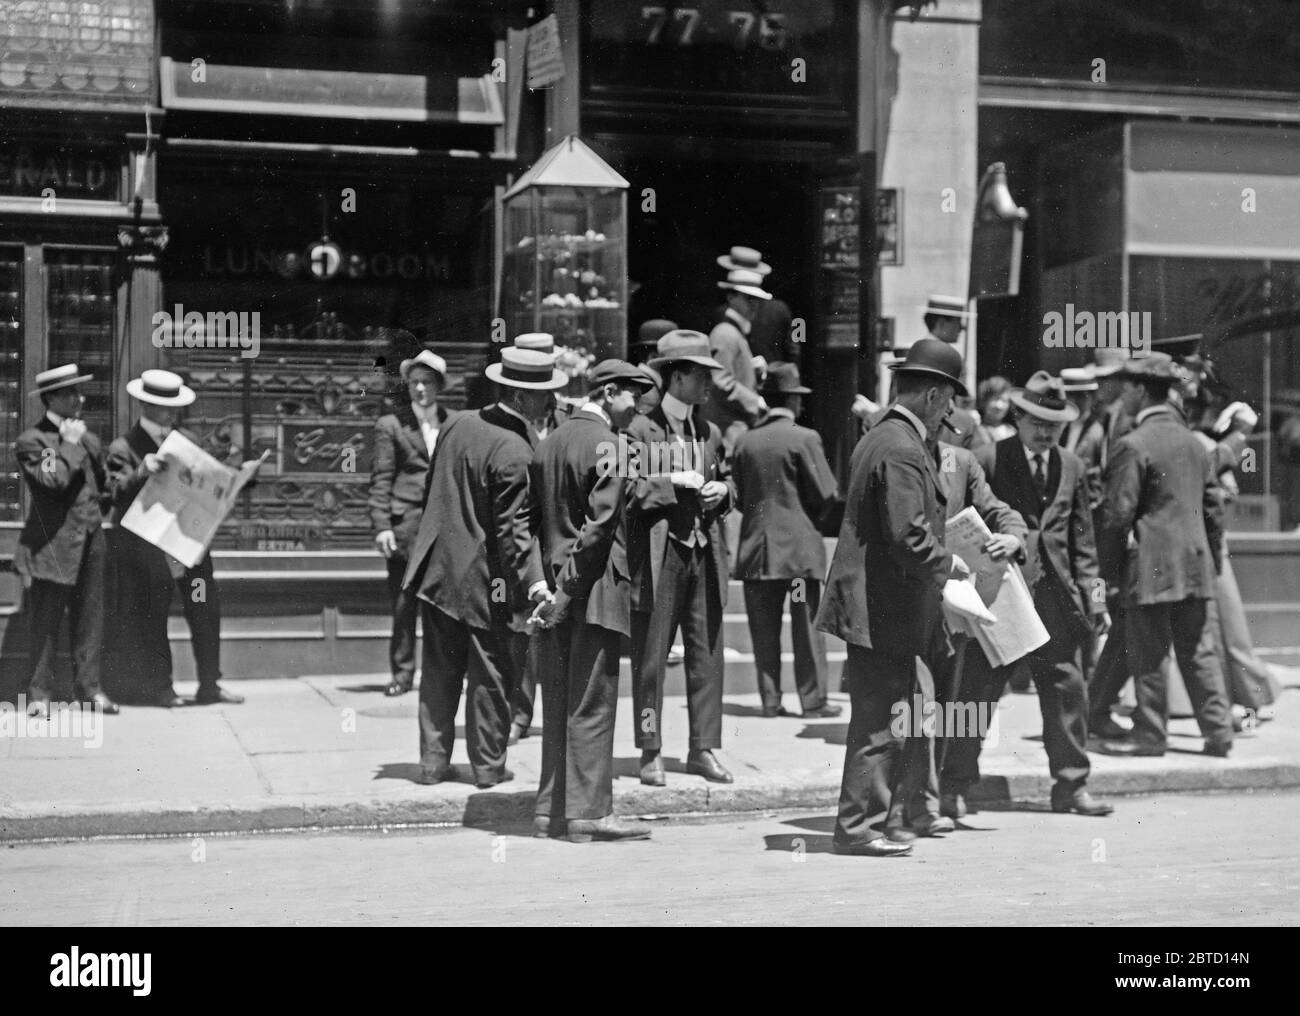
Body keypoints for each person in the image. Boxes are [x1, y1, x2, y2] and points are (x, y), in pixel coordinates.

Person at [816, 339, 973, 857]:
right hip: (883, 606)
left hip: (877, 602)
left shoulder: (880, 436)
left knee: (879, 715)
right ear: (932, 395)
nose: (949, 413)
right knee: (882, 719)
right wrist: (950, 564)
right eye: (948, 400)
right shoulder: (904, 448)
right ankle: (859, 828)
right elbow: (908, 535)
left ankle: (863, 823)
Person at [403, 347, 564, 788]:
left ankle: (433, 764)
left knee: (438, 673)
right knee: (491, 674)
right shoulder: (514, 449)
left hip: (437, 572)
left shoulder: (456, 423)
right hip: (484, 583)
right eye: (544, 394)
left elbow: (435, 492)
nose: (549, 403)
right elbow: (515, 532)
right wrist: (533, 585)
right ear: (521, 396)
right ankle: (488, 767)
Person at [955, 372, 1115, 817]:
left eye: (1054, 425)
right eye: (1037, 422)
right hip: (1000, 600)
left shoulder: (1074, 467)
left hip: (1057, 602)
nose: (1045, 433)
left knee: (1067, 691)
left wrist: (1096, 598)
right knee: (978, 693)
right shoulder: (986, 458)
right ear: (1019, 417)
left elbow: (1085, 540)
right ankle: (954, 785)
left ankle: (1071, 788)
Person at [528, 360, 657, 843]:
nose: (635, 411)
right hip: (594, 592)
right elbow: (599, 530)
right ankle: (589, 814)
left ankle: (549, 812)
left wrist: (543, 588)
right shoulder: (615, 447)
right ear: (607, 393)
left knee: (558, 701)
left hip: (553, 595)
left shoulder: (549, 443)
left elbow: (527, 523)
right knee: (593, 704)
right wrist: (566, 592)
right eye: (631, 400)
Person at [1096, 353, 1233, 758]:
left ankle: (1150, 735)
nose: (1121, 398)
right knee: (1199, 651)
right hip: (1195, 563)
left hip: (1151, 564)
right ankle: (1219, 733)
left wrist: (1109, 576)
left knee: (1150, 652)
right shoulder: (1194, 443)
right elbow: (1213, 509)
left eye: (1125, 390)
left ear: (1140, 390)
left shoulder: (1132, 444)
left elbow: (1116, 517)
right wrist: (1211, 562)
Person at [627, 329, 736, 787]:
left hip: (704, 553)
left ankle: (702, 749)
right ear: (676, 379)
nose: (709, 384)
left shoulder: (709, 431)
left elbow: (732, 482)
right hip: (661, 555)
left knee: (707, 653)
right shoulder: (638, 429)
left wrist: (722, 492)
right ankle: (651, 751)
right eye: (701, 375)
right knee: (651, 658)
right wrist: (675, 483)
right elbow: (628, 492)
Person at [104, 370, 244, 708]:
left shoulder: (187, 440)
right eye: (162, 406)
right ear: (144, 404)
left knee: (203, 609)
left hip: (188, 547)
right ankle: (161, 687)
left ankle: (209, 684)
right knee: (155, 617)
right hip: (151, 553)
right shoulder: (124, 446)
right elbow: (112, 492)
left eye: (173, 406)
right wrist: (141, 472)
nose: (170, 413)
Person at [732, 363, 841, 719]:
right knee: (806, 629)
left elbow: (737, 495)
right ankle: (812, 701)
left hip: (757, 552)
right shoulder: (804, 438)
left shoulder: (744, 441)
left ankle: (770, 700)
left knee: (763, 631)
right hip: (797, 553)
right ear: (793, 401)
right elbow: (827, 493)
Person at [13, 365, 117, 717]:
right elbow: (52, 480)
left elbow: (103, 487)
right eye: (71, 393)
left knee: (90, 618)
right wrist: (69, 444)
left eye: (78, 392)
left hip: (90, 538)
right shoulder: (35, 440)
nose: (79, 398)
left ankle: (89, 690)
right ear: (51, 399)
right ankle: (39, 695)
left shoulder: (88, 438)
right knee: (46, 619)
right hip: (53, 545)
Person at [368, 348, 452, 698]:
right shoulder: (391, 424)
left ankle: (441, 674)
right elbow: (381, 478)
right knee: (404, 605)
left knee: (441, 605)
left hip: (443, 527)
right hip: (405, 527)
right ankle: (402, 675)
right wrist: (382, 524)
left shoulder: (452, 421)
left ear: (438, 386)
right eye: (415, 382)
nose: (419, 389)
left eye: (427, 383)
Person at [706, 265, 770, 455]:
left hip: (736, 432)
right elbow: (721, 381)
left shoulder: (734, 333)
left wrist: (752, 371)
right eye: (749, 298)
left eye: (757, 300)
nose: (754, 305)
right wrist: (756, 401)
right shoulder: (725, 333)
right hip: (728, 435)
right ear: (731, 297)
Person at [970, 376, 1015, 449]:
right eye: (995, 399)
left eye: (1004, 401)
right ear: (984, 402)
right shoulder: (976, 430)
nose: (999, 406)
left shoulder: (1011, 431)